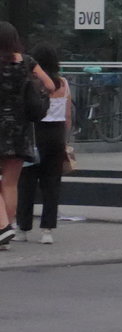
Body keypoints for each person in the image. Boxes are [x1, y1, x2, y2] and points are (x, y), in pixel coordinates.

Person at [0, 22, 55, 250]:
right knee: (11, 183)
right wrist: (32, 93)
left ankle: (3, 229)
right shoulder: (27, 62)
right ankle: (8, 227)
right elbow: (50, 85)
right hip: (21, 130)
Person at [17, 44, 72, 244]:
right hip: (56, 136)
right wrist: (65, 141)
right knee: (52, 184)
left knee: (26, 183)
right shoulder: (63, 83)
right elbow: (67, 116)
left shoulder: (32, 82)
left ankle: (22, 229)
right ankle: (47, 231)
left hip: (34, 134)